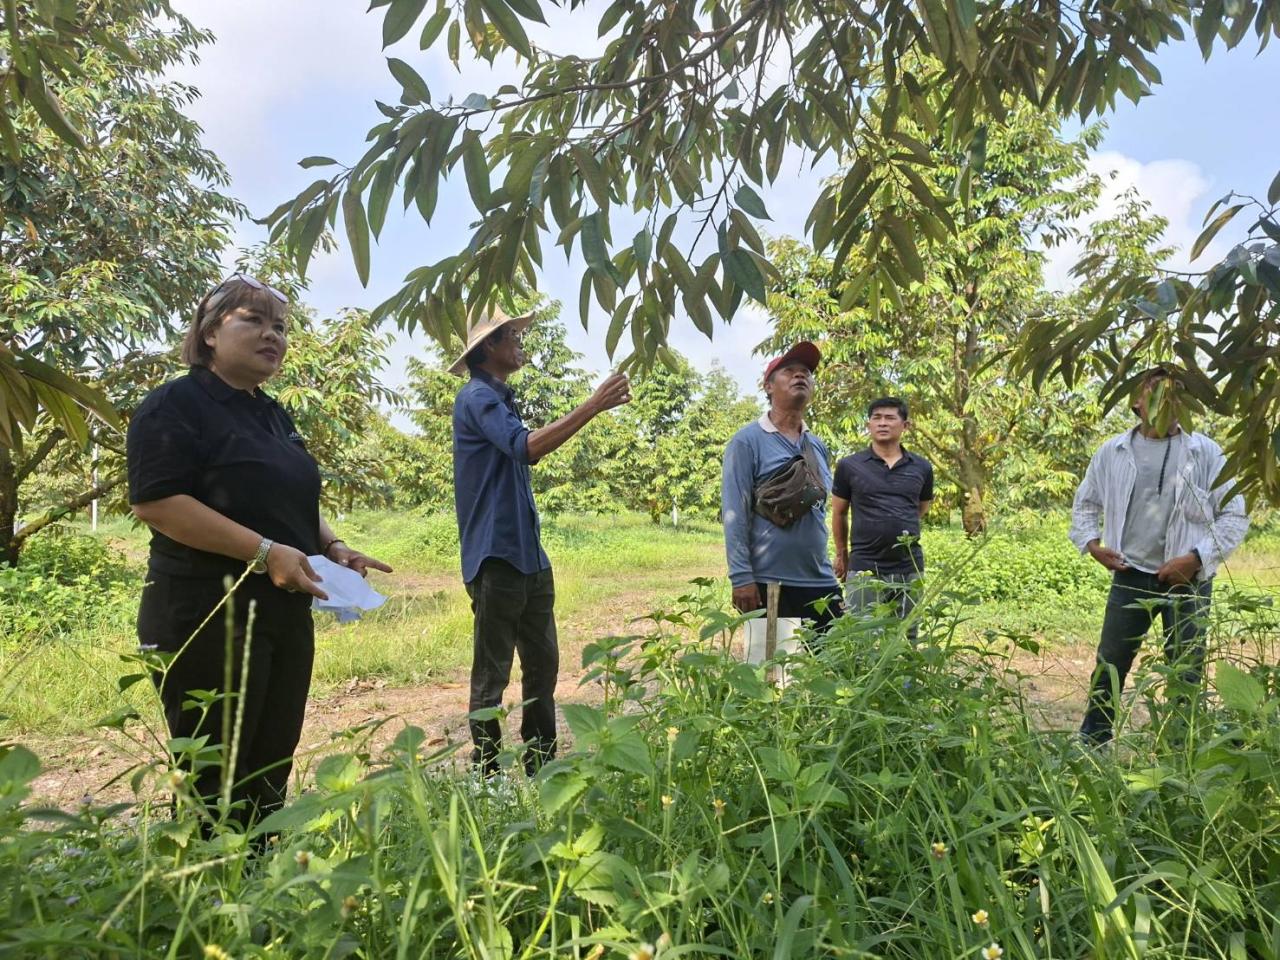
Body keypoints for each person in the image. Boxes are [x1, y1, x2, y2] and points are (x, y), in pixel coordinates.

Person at [127, 273, 392, 828]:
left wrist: (334, 546)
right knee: (216, 771)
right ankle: (209, 896)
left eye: (281, 326)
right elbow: (158, 502)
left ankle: (255, 895)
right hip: (207, 611)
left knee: (270, 761)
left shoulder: (273, 413)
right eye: (254, 320)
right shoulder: (175, 404)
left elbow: (288, 496)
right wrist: (266, 551)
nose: (272, 335)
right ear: (208, 333)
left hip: (283, 609)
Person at [450, 309, 630, 777]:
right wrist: (593, 405)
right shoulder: (477, 397)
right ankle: (486, 775)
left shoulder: (500, 399)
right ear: (488, 348)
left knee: (543, 667)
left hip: (528, 557)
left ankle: (541, 767)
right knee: (492, 674)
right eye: (512, 336)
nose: (520, 342)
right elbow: (525, 448)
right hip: (497, 558)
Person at [1070, 366, 1249, 744]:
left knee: (1185, 671)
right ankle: (1092, 741)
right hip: (1130, 575)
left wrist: (1196, 558)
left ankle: (1178, 750)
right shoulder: (1112, 452)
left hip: (1188, 582)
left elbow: (1234, 513)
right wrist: (1093, 546)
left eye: (1175, 393)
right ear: (1137, 401)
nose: (1167, 400)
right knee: (1111, 664)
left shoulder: (1205, 452)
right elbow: (1085, 504)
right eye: (1156, 391)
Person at [721, 341, 843, 632]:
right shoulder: (747, 441)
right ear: (768, 386)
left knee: (837, 667)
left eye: (806, 372)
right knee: (773, 671)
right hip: (770, 581)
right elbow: (734, 511)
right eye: (789, 371)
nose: (800, 376)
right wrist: (741, 577)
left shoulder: (817, 446)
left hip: (820, 580)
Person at [831, 397, 934, 642]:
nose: (882, 423)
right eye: (876, 418)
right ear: (868, 424)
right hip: (864, 566)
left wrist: (895, 525)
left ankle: (906, 683)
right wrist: (841, 553)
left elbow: (920, 508)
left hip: (908, 567)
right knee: (860, 637)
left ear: (905, 425)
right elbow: (839, 512)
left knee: (906, 640)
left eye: (890, 418)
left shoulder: (921, 467)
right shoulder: (850, 466)